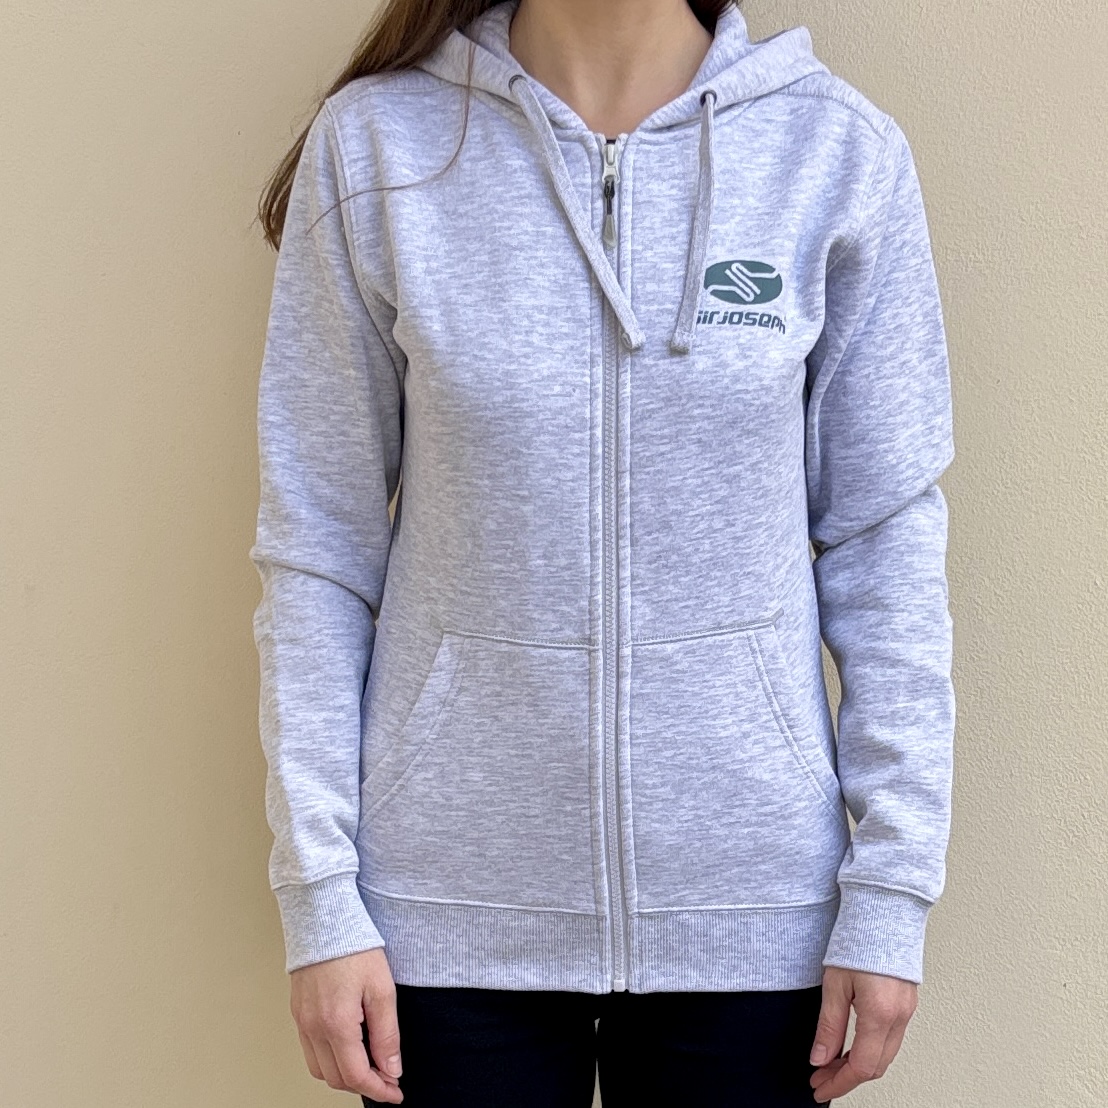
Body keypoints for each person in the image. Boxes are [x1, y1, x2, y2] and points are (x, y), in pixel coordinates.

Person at [248, 0, 957, 1103]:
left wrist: (892, 888)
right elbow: (318, 551)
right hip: (442, 919)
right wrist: (321, 894)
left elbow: (885, 547)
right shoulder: (380, 146)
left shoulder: (832, 152)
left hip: (750, 916)